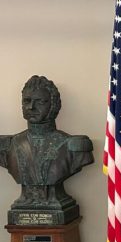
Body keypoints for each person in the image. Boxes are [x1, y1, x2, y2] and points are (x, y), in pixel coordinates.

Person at [0, 75, 94, 209]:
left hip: (58, 207)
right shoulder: (8, 145)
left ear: (54, 105)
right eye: (27, 101)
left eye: (40, 102)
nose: (31, 107)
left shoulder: (72, 146)